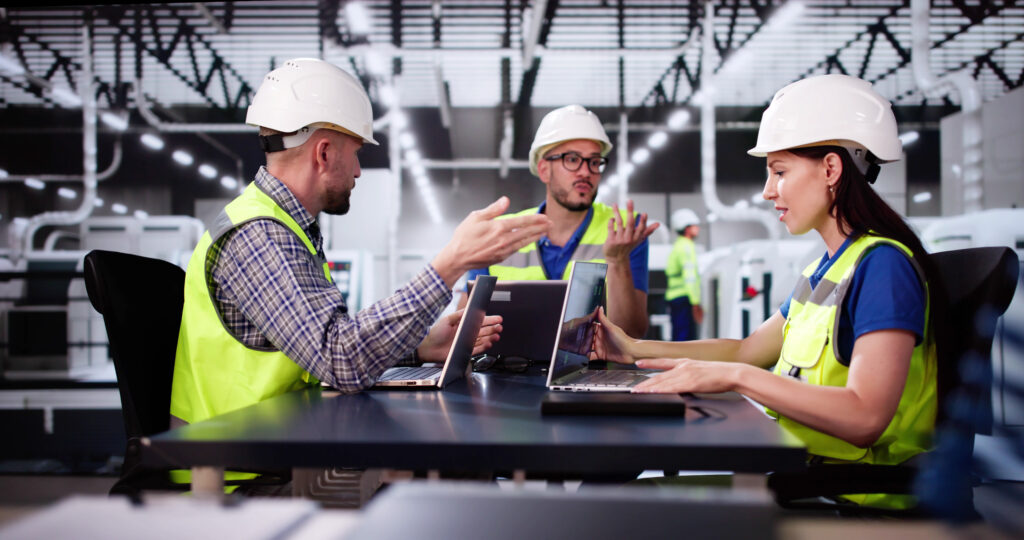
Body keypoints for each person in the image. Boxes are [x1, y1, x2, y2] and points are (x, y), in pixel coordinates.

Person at [591, 74, 943, 509]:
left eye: (779, 171)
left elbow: (865, 416)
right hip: (802, 478)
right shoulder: (823, 269)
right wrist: (632, 347)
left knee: (618, 510)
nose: (767, 190)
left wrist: (739, 379)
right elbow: (745, 351)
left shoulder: (883, 267)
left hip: (855, 498)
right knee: (612, 501)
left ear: (831, 169)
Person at [170, 58, 550, 428]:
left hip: (270, 447)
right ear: (323, 152)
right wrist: (449, 263)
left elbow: (317, 349)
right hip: (233, 475)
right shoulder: (258, 236)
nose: (357, 171)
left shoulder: (283, 227)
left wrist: (419, 348)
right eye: (355, 153)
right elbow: (341, 360)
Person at [464, 104, 658, 338]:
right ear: (544, 170)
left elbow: (632, 333)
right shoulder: (498, 233)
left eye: (594, 162)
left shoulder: (624, 230)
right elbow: (464, 329)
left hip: (593, 374)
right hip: (507, 370)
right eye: (572, 159)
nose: (586, 171)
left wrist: (617, 261)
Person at [665, 208, 703, 341]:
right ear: (686, 228)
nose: (697, 228)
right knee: (685, 338)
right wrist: (695, 302)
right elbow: (690, 277)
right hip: (684, 298)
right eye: (694, 225)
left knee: (678, 334)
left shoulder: (678, 245)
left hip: (676, 298)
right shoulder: (686, 247)